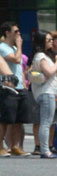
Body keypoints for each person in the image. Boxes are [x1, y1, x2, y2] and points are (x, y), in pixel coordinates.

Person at [28, 31, 57, 159]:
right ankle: (45, 150)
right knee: (46, 122)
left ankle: (45, 149)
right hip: (46, 92)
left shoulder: (44, 55)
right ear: (41, 41)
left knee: (47, 121)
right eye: (48, 40)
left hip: (47, 92)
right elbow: (49, 72)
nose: (51, 42)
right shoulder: (41, 56)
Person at [0, 23, 33, 155]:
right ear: (7, 33)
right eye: (16, 31)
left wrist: (24, 85)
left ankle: (15, 146)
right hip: (8, 88)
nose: (19, 34)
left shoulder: (14, 48)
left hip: (20, 87)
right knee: (5, 119)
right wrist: (19, 46)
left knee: (19, 119)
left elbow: (20, 68)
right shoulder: (3, 48)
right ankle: (1, 146)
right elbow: (16, 59)